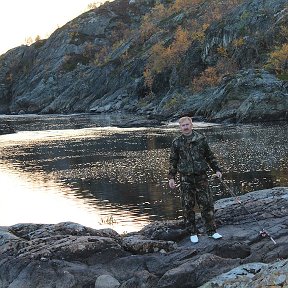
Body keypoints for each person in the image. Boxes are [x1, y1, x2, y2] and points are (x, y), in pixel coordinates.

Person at [168, 116, 222, 243]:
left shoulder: (201, 139)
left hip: (201, 177)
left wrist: (217, 170)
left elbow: (209, 156)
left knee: (207, 204)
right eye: (183, 125)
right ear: (180, 127)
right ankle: (193, 232)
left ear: (191, 125)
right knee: (187, 206)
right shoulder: (176, 142)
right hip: (185, 179)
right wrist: (171, 177)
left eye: (187, 124)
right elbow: (173, 161)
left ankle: (211, 231)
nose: (185, 127)